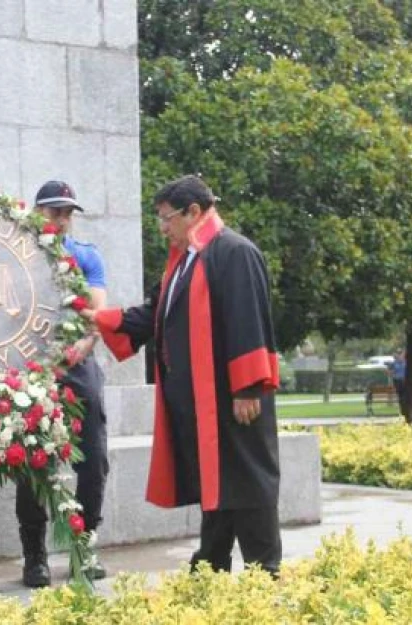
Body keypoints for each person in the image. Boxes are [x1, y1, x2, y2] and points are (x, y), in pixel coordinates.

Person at [81, 175, 282, 577]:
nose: (162, 228)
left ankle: (265, 571)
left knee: (247, 483)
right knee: (219, 486)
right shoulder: (184, 262)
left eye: (167, 218)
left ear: (194, 211)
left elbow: (248, 319)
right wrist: (98, 319)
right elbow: (152, 315)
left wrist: (248, 387)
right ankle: (211, 566)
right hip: (200, 404)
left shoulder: (233, 251)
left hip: (231, 398)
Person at [15, 181, 110, 587]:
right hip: (33, 369)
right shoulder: (16, 255)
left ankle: (83, 544)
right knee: (34, 463)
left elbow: (97, 313)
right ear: (37, 213)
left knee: (94, 460)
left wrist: (85, 344)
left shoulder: (86, 256)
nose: (63, 220)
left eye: (68, 213)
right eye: (55, 212)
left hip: (78, 365)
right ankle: (34, 555)